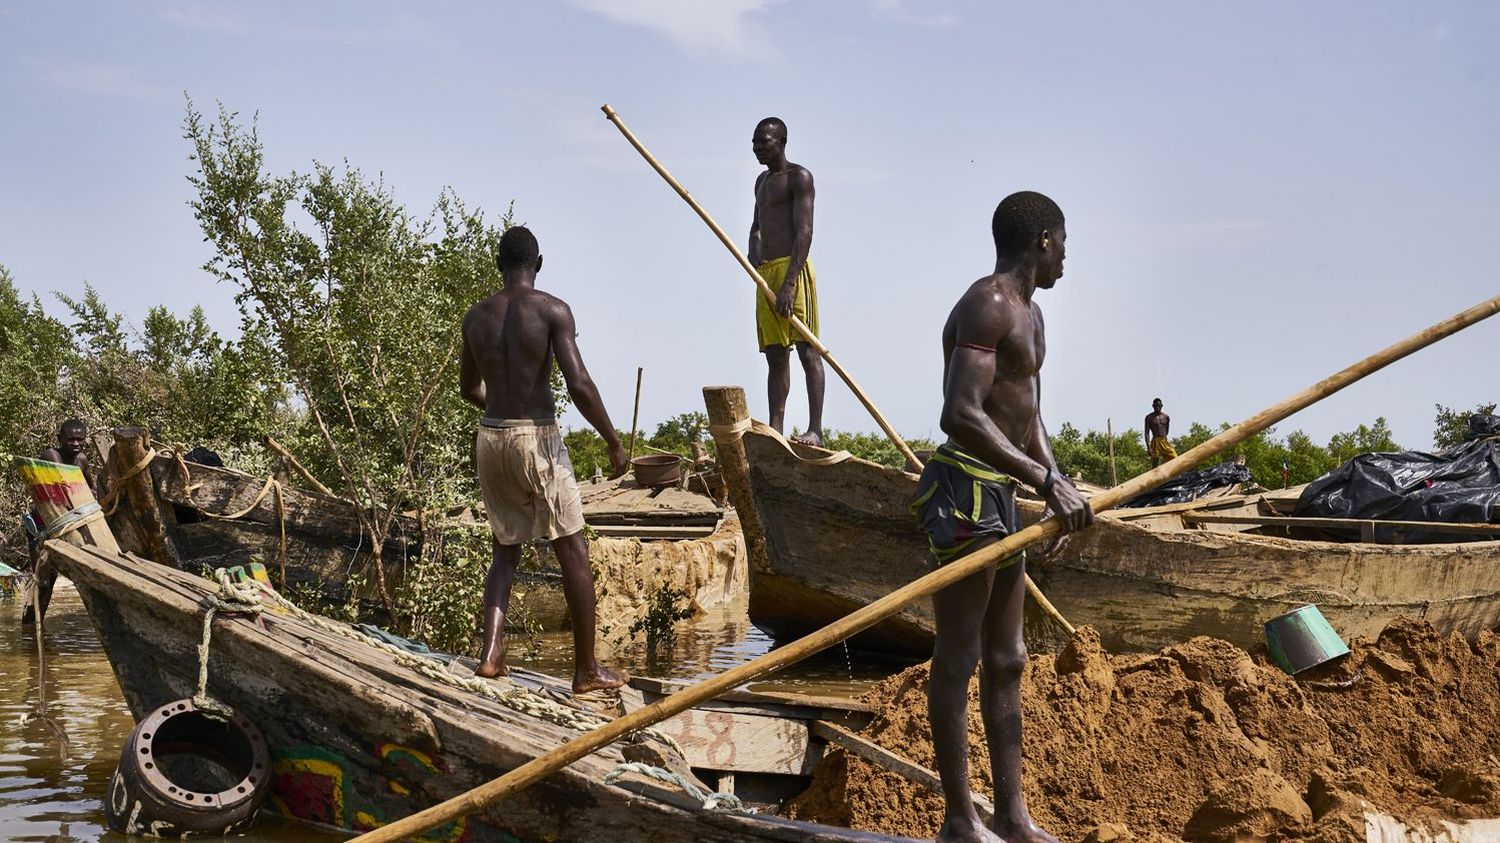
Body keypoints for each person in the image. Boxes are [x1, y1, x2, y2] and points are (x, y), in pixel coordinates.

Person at [913, 191, 1093, 843]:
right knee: (959, 656)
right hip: (966, 494)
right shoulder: (987, 303)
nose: (1069, 255)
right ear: (1042, 240)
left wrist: (1057, 485)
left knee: (1009, 656)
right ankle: (961, 821)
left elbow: (1028, 415)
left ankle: (1012, 816)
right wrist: (1042, 477)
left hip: (1008, 497)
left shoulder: (1033, 316)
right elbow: (960, 412)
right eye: (1065, 241)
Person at [459, 226, 628, 694]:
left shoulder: (476, 317)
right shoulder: (553, 310)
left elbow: (469, 389)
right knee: (572, 548)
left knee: (504, 550)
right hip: (537, 438)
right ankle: (587, 671)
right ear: (539, 263)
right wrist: (613, 441)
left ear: (499, 264)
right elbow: (579, 384)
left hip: (491, 439)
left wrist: (503, 409)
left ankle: (491, 655)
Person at [749, 116, 825, 446]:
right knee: (776, 355)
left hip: (793, 270)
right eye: (754, 143)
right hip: (765, 273)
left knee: (808, 350)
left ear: (781, 142)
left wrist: (790, 282)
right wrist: (753, 249)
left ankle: (815, 430)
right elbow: (757, 225)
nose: (756, 149)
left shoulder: (799, 178)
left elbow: (805, 232)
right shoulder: (761, 183)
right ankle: (776, 430)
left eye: (762, 142)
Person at [21, 418, 93, 625]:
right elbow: (64, 488)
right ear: (60, 439)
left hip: (67, 523)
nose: (76, 444)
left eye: (80, 439)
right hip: (43, 527)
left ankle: (33, 630)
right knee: (43, 581)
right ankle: (30, 628)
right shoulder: (51, 455)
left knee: (55, 580)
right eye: (71, 440)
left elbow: (90, 489)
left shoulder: (82, 460)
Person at [1145, 398, 1176, 467]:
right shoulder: (1149, 417)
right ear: (1153, 406)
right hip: (1155, 441)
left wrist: (1164, 440)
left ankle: (1174, 474)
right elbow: (1146, 433)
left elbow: (1167, 430)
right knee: (1155, 461)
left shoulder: (1166, 417)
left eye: (1159, 406)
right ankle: (1153, 476)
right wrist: (1148, 447)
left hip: (1164, 440)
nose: (1157, 407)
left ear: (1162, 406)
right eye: (1156, 406)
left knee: (1174, 456)